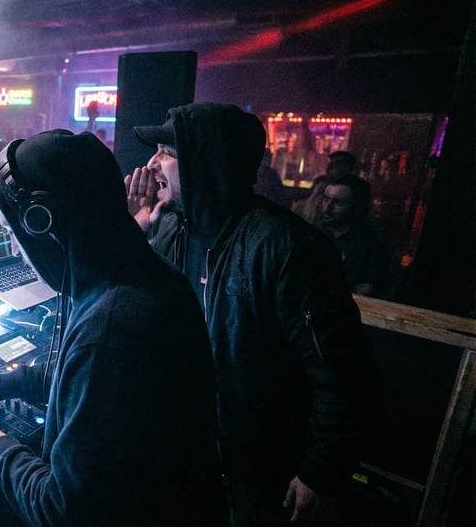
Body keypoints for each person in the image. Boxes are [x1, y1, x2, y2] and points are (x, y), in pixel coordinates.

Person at [0, 130, 227, 526]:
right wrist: (5, 384)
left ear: (43, 223)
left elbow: (62, 510)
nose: (19, 250)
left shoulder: (110, 328)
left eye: (16, 234)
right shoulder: (144, 274)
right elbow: (94, 386)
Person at [125, 102, 378, 526]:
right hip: (190, 452)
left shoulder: (287, 247)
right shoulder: (170, 228)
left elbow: (342, 370)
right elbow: (142, 322)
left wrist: (321, 471)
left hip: (259, 472)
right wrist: (138, 236)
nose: (151, 164)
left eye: (166, 152)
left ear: (208, 160)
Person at [319, 174, 390, 297]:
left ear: (357, 207)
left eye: (338, 203)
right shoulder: (319, 236)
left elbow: (364, 295)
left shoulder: (368, 247)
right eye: (326, 199)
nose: (327, 208)